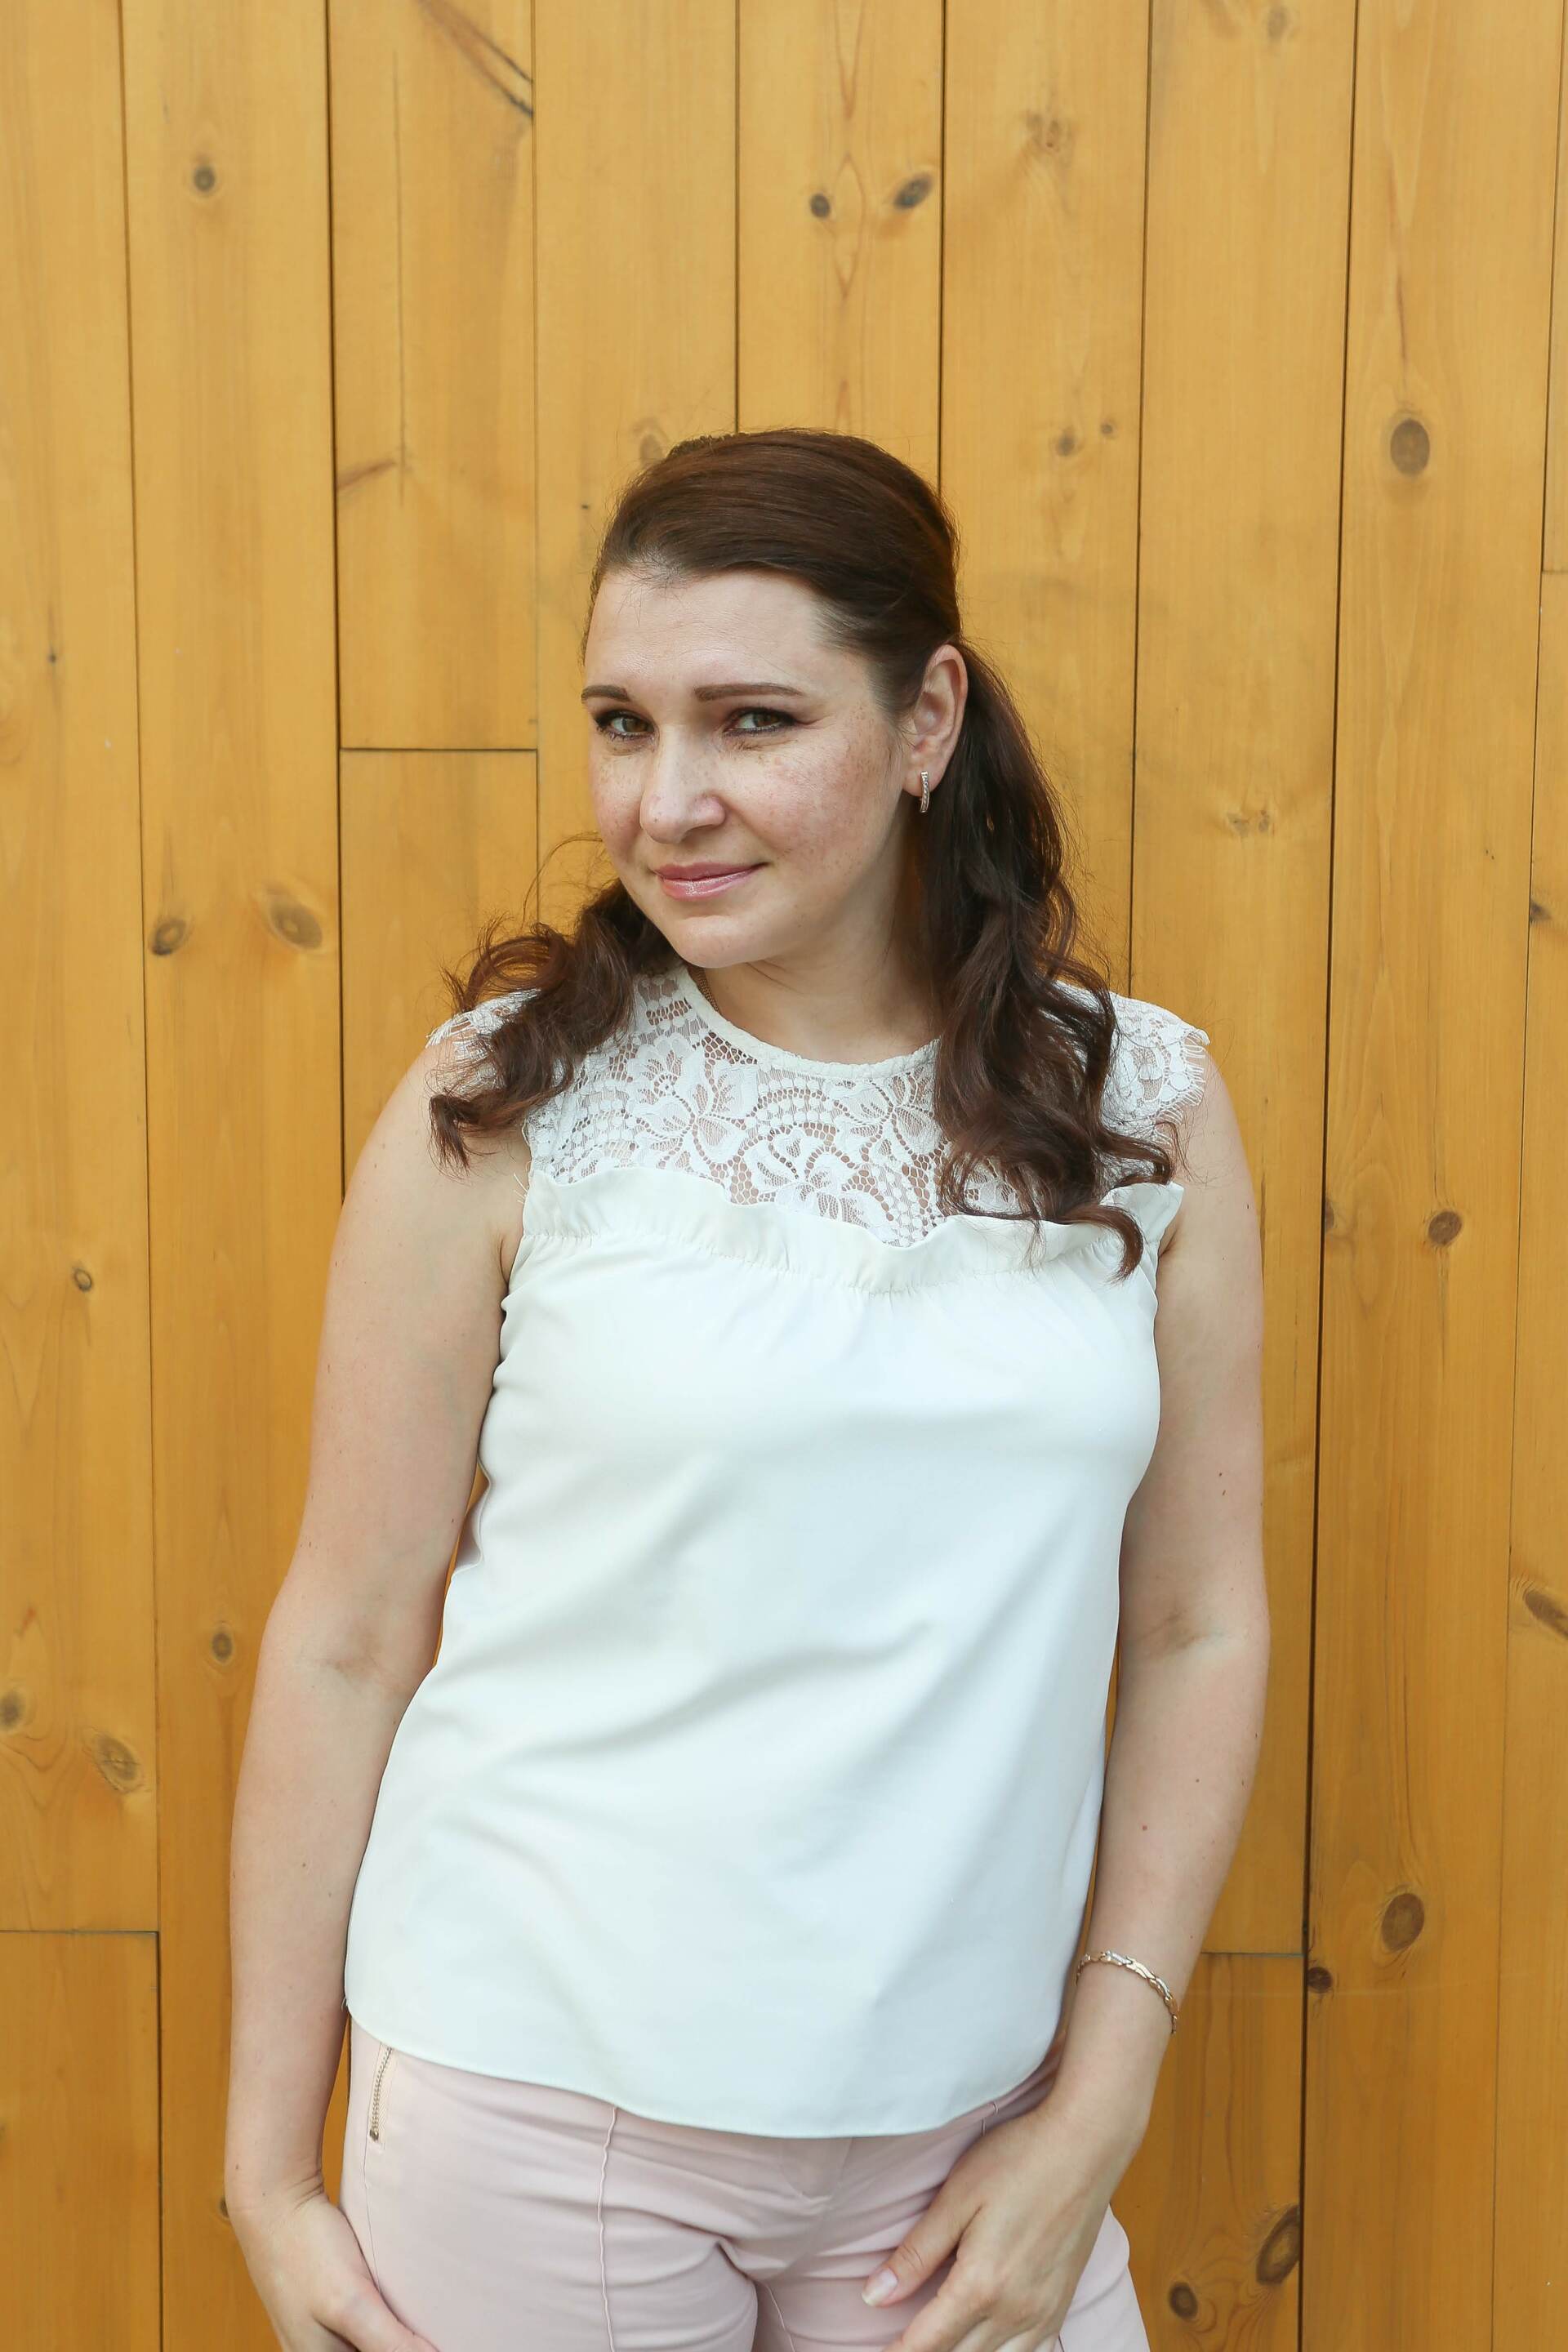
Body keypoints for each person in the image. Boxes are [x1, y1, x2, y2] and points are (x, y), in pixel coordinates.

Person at [225, 426, 1267, 2352]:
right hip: (535, 2109)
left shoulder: (1142, 1110)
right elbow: (349, 1637)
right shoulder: (502, 1109)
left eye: (753, 722)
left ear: (927, 718)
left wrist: (1101, 2099)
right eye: (623, 725)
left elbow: (1199, 1623)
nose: (668, 801)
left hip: (974, 2127)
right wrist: (266, 2170)